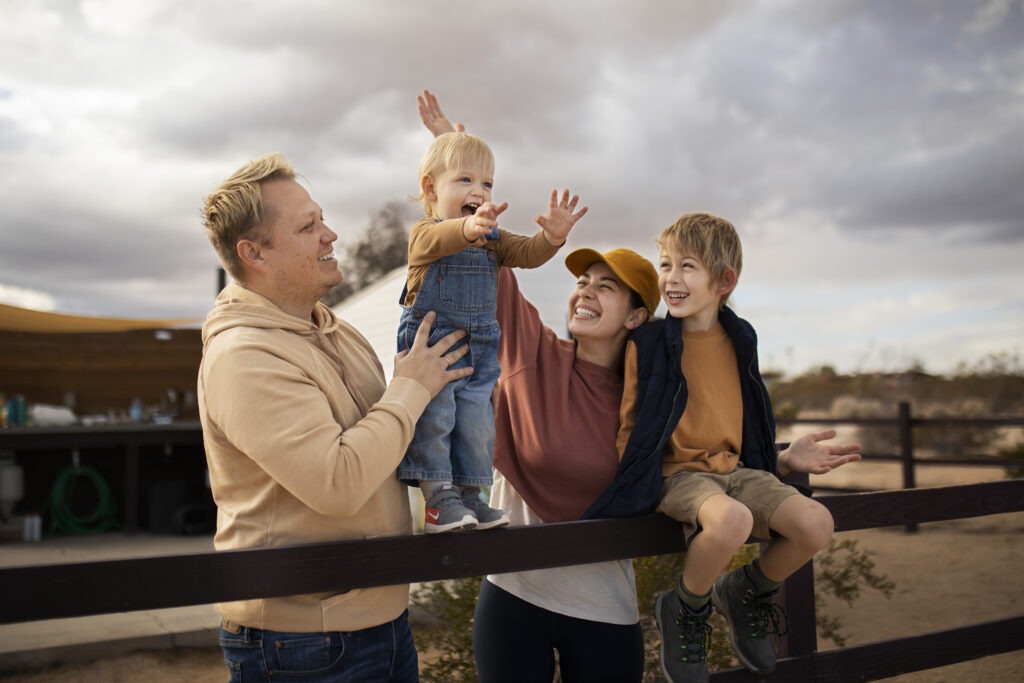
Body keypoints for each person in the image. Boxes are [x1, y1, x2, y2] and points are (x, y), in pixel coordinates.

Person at [419, 91, 860, 683]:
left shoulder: (656, 399)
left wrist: (780, 461)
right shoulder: (533, 354)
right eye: (582, 282)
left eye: (607, 286)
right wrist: (455, 157)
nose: (585, 292)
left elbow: (701, 464)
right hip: (512, 592)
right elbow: (471, 252)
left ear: (635, 315)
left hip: (604, 606)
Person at [198, 152, 472, 683]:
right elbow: (338, 483)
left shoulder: (337, 332)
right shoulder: (243, 356)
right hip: (300, 640)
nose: (331, 234)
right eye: (308, 226)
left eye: (321, 218)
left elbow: (391, 442)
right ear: (253, 252)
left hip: (383, 618)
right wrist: (411, 388)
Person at [614, 212, 862, 682]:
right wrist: (634, 482)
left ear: (723, 280)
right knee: (732, 519)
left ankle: (745, 591)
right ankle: (685, 607)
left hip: (736, 471)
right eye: (665, 265)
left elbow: (749, 409)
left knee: (816, 523)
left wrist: (779, 461)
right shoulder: (646, 343)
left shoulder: (741, 336)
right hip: (678, 476)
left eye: (687, 266)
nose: (671, 277)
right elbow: (631, 424)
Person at [398, 125, 588, 533]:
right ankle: (437, 500)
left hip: (480, 351)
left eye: (486, 182)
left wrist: (551, 238)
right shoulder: (425, 235)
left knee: (478, 423)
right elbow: (447, 236)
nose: (479, 190)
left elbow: (525, 253)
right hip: (432, 349)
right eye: (464, 180)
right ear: (431, 189)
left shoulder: (492, 240)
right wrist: (467, 229)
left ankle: (469, 495)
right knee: (437, 417)